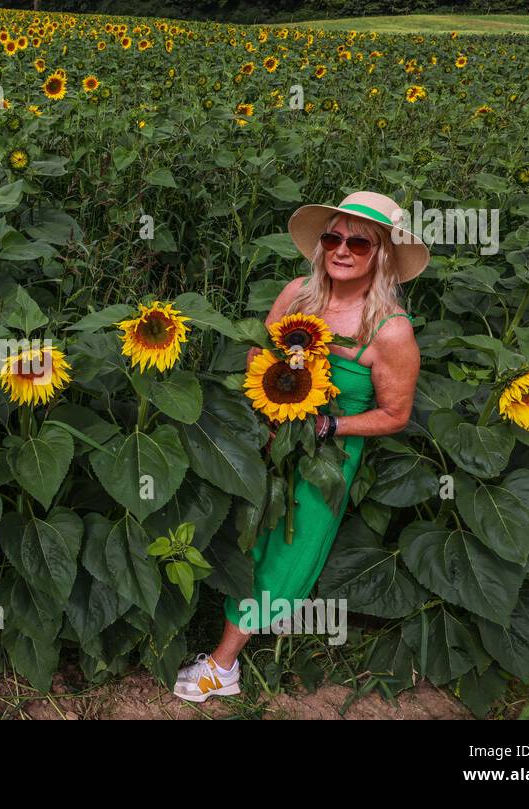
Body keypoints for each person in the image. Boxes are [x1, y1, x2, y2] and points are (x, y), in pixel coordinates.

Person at [172, 191, 428, 702]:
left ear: (380, 255)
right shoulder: (297, 295)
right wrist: (264, 406)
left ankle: (223, 665)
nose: (342, 249)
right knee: (241, 531)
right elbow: (258, 355)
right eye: (333, 237)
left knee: (286, 548)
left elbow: (395, 415)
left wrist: (326, 428)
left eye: (360, 242)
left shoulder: (391, 330)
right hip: (265, 432)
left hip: (325, 454)